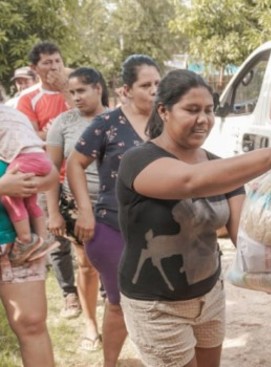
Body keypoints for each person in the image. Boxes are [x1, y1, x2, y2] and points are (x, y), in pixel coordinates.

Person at [116, 69, 271, 367]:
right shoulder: (139, 160)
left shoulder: (220, 167)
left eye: (209, 110)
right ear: (164, 111)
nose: (204, 119)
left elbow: (244, 233)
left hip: (209, 295)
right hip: (156, 306)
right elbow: (189, 182)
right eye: (192, 110)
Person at [66, 54, 161, 367]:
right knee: (119, 303)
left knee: (161, 303)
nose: (154, 90)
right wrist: (85, 211)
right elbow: (74, 164)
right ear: (126, 90)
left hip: (160, 229)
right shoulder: (107, 123)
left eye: (158, 84)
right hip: (112, 226)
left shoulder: (167, 120)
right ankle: (110, 363)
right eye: (145, 85)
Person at [16, 41, 81, 319]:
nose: (54, 67)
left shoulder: (77, 85)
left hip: (82, 173)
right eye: (47, 63)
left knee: (88, 231)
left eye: (57, 61)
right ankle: (69, 294)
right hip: (47, 176)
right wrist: (51, 135)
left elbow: (88, 118)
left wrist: (66, 90)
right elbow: (31, 137)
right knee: (56, 235)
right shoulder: (27, 99)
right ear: (35, 68)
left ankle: (101, 289)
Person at [46, 67, 109, 351]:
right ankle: (91, 326)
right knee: (86, 265)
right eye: (71, 93)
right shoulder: (63, 122)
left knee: (123, 266)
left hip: (115, 205)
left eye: (81, 91)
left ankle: (119, 321)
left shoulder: (117, 119)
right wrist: (54, 212)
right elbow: (50, 172)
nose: (75, 98)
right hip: (77, 206)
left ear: (98, 88)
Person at [0, 105, 60, 367]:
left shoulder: (11, 118)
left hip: (20, 245)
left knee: (32, 324)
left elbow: (51, 176)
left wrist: (36, 182)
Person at [0, 107, 59, 265]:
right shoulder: (16, 114)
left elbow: (52, 178)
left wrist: (23, 184)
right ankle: (41, 239)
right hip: (38, 158)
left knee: (13, 199)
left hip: (15, 245)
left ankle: (27, 240)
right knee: (29, 202)